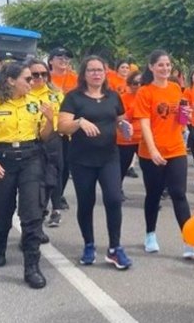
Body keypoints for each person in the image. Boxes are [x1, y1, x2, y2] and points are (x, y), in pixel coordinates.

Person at [0, 61, 55, 289]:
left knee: (32, 213)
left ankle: (31, 267)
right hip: (2, 159)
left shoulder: (35, 103)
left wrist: (49, 120)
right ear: (11, 80)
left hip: (31, 158)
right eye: (28, 79)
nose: (33, 82)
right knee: (2, 209)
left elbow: (45, 136)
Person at [58, 56, 132, 270]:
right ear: (84, 74)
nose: (96, 74)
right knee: (86, 202)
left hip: (109, 156)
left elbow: (120, 118)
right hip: (82, 159)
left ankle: (115, 248)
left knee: (113, 198)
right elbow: (62, 126)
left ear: (105, 73)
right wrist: (80, 122)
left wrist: (124, 126)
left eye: (100, 70)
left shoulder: (113, 96)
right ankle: (89, 244)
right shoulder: (74, 97)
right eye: (91, 70)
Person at [134, 49, 194, 259]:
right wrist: (153, 149)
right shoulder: (145, 92)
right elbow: (145, 123)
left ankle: (189, 242)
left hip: (176, 149)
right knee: (154, 195)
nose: (165, 68)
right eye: (160, 65)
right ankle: (150, 234)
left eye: (167, 65)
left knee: (178, 194)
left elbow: (182, 119)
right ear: (151, 67)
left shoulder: (176, 88)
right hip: (151, 153)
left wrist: (187, 116)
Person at [27, 59, 65, 231]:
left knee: (52, 178)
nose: (40, 78)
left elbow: (64, 116)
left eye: (44, 74)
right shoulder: (22, 93)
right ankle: (33, 222)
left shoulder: (56, 94)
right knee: (33, 183)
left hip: (52, 140)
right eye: (35, 74)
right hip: (30, 142)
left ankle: (54, 209)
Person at [49, 47, 77, 211]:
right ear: (51, 60)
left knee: (66, 165)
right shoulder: (43, 77)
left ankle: (59, 194)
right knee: (51, 164)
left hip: (69, 129)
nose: (64, 59)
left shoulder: (75, 79)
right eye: (59, 56)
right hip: (49, 129)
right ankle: (49, 194)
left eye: (67, 57)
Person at [117, 71, 142, 193]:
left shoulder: (147, 97)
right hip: (126, 139)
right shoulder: (123, 98)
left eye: (141, 83)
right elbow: (123, 118)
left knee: (150, 168)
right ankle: (117, 189)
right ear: (130, 84)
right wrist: (136, 107)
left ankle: (154, 195)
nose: (138, 86)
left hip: (143, 139)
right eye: (135, 83)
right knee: (122, 166)